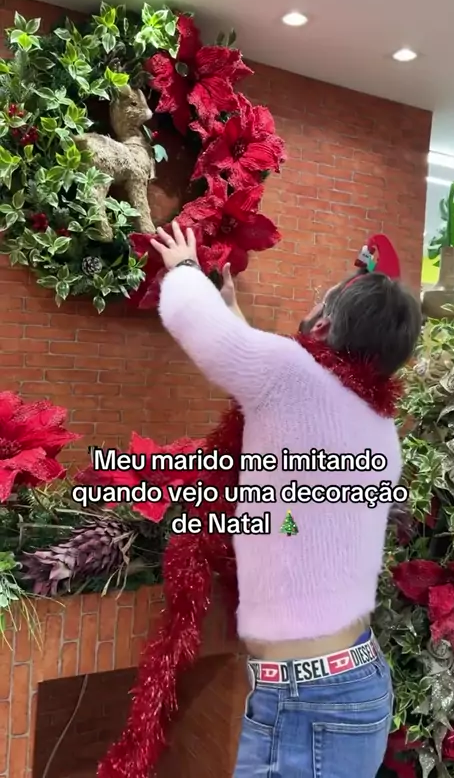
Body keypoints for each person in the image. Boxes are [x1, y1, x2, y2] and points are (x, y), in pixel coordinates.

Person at [152, 221, 422, 778]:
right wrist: (233, 312)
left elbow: (196, 321)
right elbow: (281, 399)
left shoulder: (291, 381)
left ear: (323, 326)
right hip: (348, 684)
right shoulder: (379, 430)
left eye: (320, 299)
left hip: (307, 707)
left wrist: (183, 267)